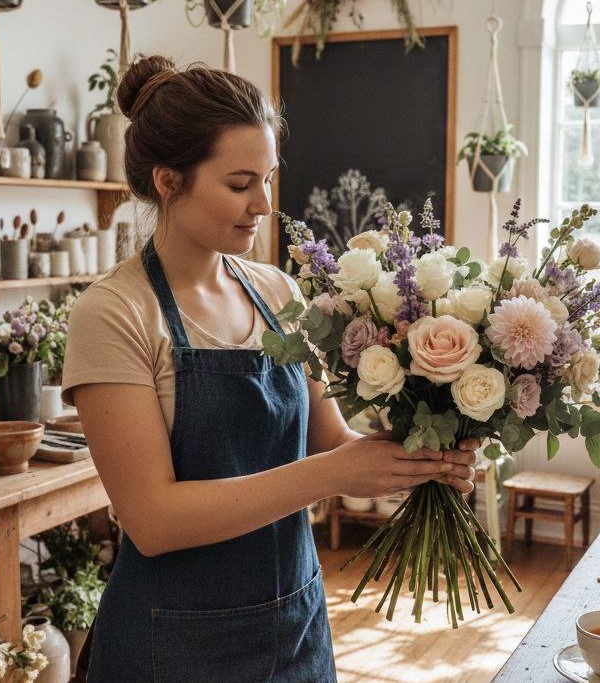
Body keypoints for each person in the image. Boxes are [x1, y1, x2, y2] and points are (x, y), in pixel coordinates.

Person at [62, 56, 478, 683]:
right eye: (238, 183)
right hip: (172, 645)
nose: (262, 204)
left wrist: (420, 458)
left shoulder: (279, 293)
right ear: (169, 181)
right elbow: (152, 520)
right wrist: (333, 472)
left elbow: (331, 443)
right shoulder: (115, 313)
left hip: (295, 628)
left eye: (267, 178)